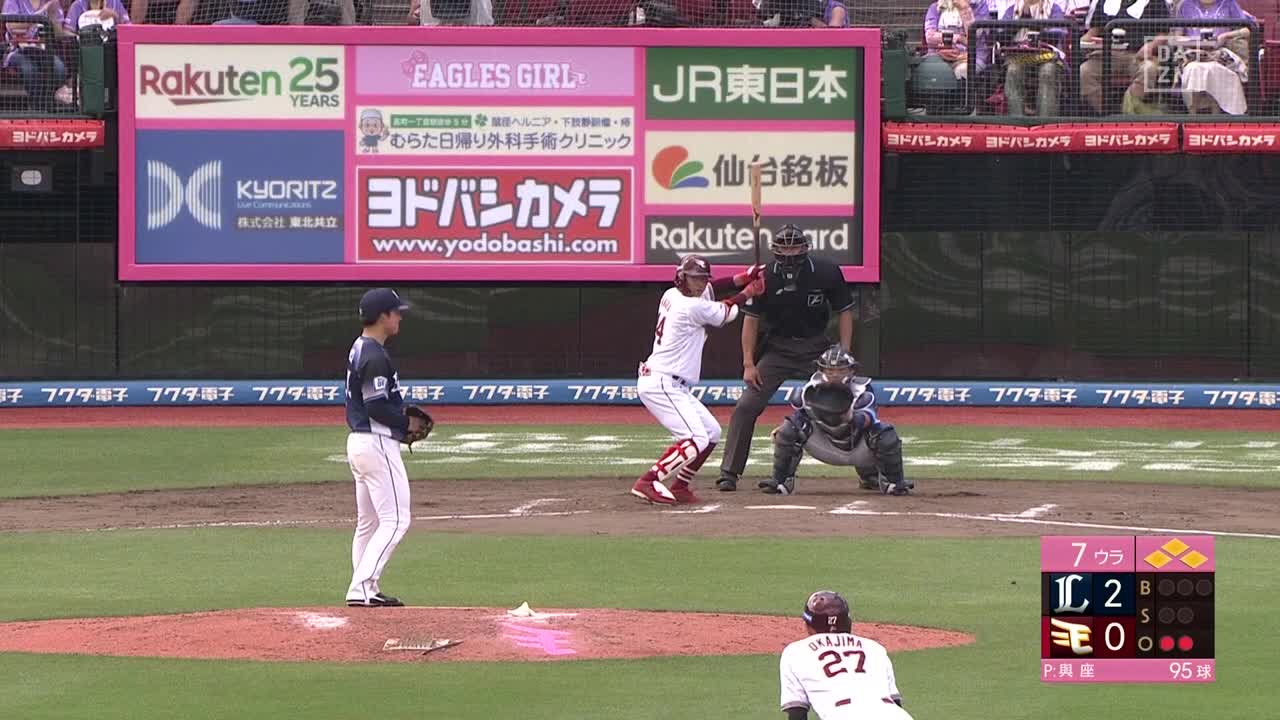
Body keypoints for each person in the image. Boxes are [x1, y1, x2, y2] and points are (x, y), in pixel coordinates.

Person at [717, 224, 855, 493]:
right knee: (746, 405)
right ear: (776, 250)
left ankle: (870, 472)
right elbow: (751, 321)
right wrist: (748, 363)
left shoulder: (826, 272)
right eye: (785, 247)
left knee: (845, 402)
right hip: (778, 349)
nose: (790, 252)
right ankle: (729, 472)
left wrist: (844, 353)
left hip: (817, 348)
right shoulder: (764, 276)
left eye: (795, 247)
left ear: (805, 249)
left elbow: (845, 311)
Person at [633, 255, 765, 505]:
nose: (701, 283)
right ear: (682, 277)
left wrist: (744, 277)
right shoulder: (689, 306)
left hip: (672, 383)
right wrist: (748, 292)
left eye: (703, 278)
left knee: (711, 433)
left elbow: (716, 288)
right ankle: (648, 481)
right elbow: (725, 312)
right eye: (694, 278)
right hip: (662, 382)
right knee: (696, 438)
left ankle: (680, 486)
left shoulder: (672, 294)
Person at [343, 288, 426, 608]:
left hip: (360, 442)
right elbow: (376, 405)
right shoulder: (375, 355)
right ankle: (361, 587)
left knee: (369, 522)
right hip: (376, 442)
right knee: (396, 520)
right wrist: (406, 424)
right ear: (383, 316)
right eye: (396, 312)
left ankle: (365, 587)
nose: (400, 317)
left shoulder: (360, 346)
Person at [766, 346, 911, 496]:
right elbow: (799, 416)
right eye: (829, 371)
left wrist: (850, 417)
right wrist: (785, 431)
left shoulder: (862, 390)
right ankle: (780, 482)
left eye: (841, 370)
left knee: (885, 433)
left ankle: (892, 483)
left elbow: (868, 419)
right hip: (824, 446)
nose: (835, 375)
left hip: (858, 448)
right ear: (821, 370)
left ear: (852, 370)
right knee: (789, 428)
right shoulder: (809, 390)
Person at [779, 591, 914, 720]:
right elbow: (895, 702)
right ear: (847, 622)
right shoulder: (874, 648)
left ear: (809, 625)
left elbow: (797, 713)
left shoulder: (795, 652)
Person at [1078, 0, 1170, 114]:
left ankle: (1128, 111)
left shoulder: (1156, 2)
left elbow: (1163, 35)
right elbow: (1092, 32)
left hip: (1137, 55)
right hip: (1107, 55)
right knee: (1084, 71)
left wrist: (1150, 46)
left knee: (1148, 69)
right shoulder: (1103, 2)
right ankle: (1106, 114)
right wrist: (1081, 43)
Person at [1175, 0, 1251, 115]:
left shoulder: (1229, 3)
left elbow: (1247, 30)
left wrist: (1225, 36)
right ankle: (1193, 116)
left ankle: (1215, 117)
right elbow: (1176, 38)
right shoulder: (1185, 5)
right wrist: (1194, 42)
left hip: (1219, 54)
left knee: (1214, 69)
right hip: (1193, 54)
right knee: (1194, 69)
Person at [1000, 0, 1065, 117]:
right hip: (1019, 57)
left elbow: (1059, 33)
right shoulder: (1013, 10)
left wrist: (1037, 28)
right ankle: (1016, 121)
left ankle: (1045, 121)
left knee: (1048, 71)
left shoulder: (1053, 8)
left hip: (1046, 57)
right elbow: (1000, 35)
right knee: (1013, 71)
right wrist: (1020, 22)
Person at [2, 0, 70, 111]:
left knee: (59, 68)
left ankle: (48, 104)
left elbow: (59, 35)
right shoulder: (13, 1)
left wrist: (52, 18)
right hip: (17, 51)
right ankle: (36, 109)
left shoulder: (51, 2)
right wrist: (42, 12)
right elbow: (13, 26)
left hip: (43, 51)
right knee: (29, 69)